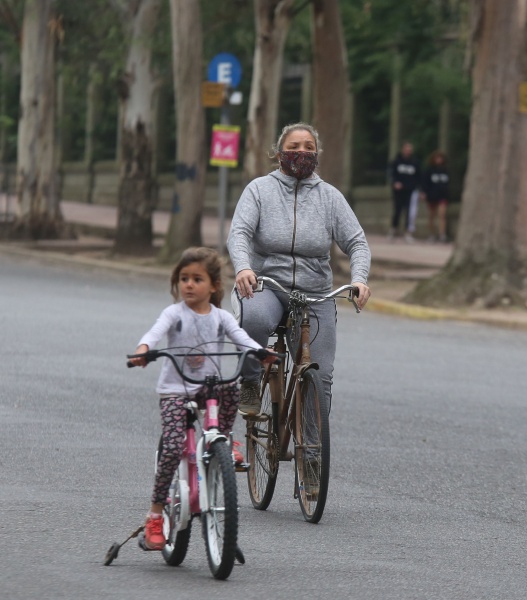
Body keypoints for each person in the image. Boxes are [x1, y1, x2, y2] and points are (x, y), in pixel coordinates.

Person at [128, 247, 276, 551]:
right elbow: (154, 333)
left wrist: (259, 352)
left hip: (207, 387)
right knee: (171, 447)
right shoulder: (174, 314)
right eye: (184, 279)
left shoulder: (221, 317)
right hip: (176, 391)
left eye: (197, 279)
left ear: (213, 286)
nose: (189, 285)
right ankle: (156, 516)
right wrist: (144, 350)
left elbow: (242, 338)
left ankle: (223, 437)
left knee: (231, 386)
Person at [228, 122, 372, 417]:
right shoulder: (259, 190)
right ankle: (250, 380)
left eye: (309, 147)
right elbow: (239, 234)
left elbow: (358, 243)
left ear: (317, 154)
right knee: (253, 319)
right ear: (279, 152)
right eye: (294, 147)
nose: (301, 152)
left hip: (314, 294)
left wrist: (359, 279)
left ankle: (313, 453)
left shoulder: (329, 197)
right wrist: (243, 268)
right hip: (267, 286)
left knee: (320, 376)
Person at [388, 141, 420, 243]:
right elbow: (392, 174)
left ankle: (408, 232)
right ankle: (393, 229)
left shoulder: (414, 162)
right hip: (398, 191)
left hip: (410, 190)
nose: (408, 151)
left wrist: (417, 187)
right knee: (397, 209)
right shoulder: (397, 161)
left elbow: (418, 176)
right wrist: (395, 183)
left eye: (410, 150)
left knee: (409, 212)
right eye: (406, 149)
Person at [420, 150, 451, 243]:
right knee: (431, 216)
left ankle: (442, 234)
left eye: (440, 158)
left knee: (442, 215)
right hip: (432, 196)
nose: (439, 160)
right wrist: (423, 193)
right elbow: (424, 183)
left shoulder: (445, 171)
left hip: (442, 196)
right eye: (437, 158)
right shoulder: (429, 171)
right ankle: (432, 234)